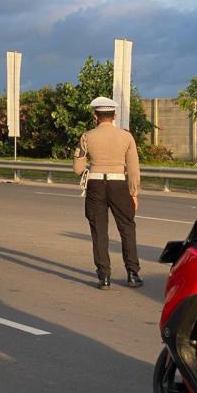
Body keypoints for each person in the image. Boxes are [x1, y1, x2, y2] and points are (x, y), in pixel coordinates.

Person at [73, 96, 142, 290]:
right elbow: (134, 169)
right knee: (127, 228)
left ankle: (104, 276)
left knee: (99, 230)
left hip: (95, 185)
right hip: (119, 185)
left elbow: (78, 168)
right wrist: (134, 193)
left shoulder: (86, 136)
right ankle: (133, 274)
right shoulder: (126, 137)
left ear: (95, 116)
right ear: (114, 116)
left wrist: (90, 170)